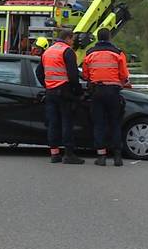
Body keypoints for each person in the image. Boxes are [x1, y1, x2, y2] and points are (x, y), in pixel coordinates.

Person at [82, 28, 130, 166]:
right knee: (115, 123)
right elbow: (124, 75)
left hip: (97, 91)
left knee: (99, 124)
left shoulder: (90, 53)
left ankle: (101, 157)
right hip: (113, 92)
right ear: (109, 38)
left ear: (97, 38)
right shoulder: (118, 53)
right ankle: (117, 157)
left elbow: (85, 75)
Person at [38, 29, 84, 164]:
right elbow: (73, 76)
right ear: (68, 38)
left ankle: (54, 154)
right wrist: (77, 92)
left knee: (53, 123)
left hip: (50, 92)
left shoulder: (48, 51)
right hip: (64, 92)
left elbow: (39, 72)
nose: (73, 42)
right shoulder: (67, 51)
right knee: (66, 123)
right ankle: (69, 155)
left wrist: (46, 85)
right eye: (73, 39)